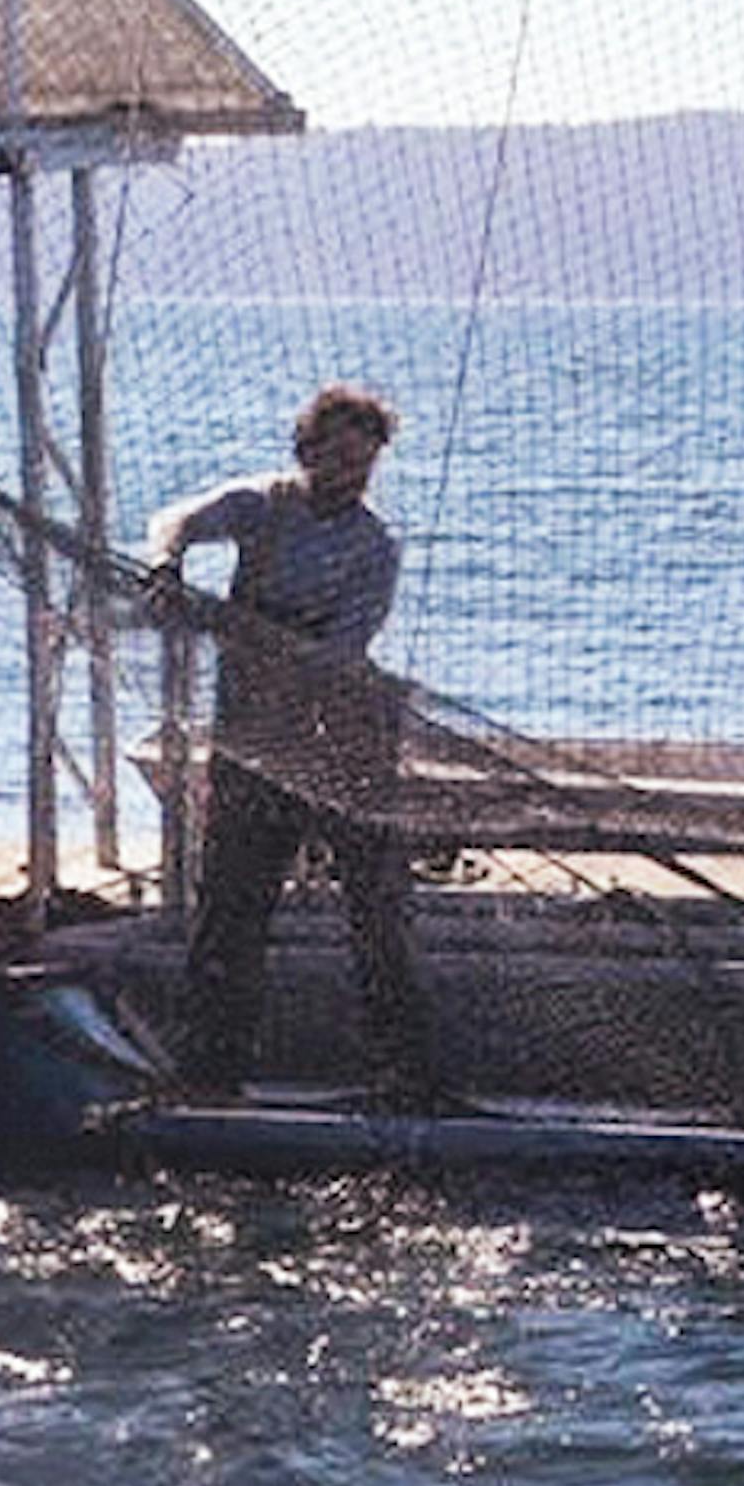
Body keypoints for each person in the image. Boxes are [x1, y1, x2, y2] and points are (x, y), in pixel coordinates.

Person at [147, 384, 442, 1107]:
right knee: (232, 902)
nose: (350, 476)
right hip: (252, 740)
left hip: (341, 741)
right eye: (337, 458)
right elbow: (173, 521)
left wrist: (259, 647)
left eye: (363, 464)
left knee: (375, 903)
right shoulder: (264, 505)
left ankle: (400, 1070)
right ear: (305, 451)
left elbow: (339, 653)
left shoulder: (375, 548)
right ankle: (211, 1069)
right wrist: (166, 563)